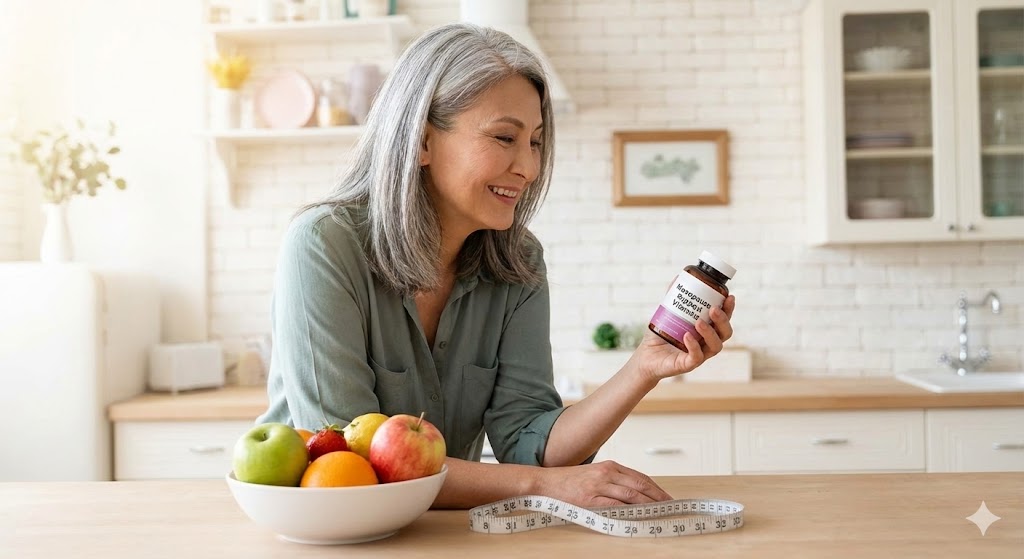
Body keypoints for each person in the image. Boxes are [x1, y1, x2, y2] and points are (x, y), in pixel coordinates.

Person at [256, 22, 736, 509]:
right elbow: (348, 460)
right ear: (421, 141)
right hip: (323, 534)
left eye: (535, 142)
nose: (527, 167)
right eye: (505, 137)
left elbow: (531, 444)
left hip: (440, 533)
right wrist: (541, 487)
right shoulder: (323, 245)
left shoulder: (518, 261)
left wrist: (643, 367)